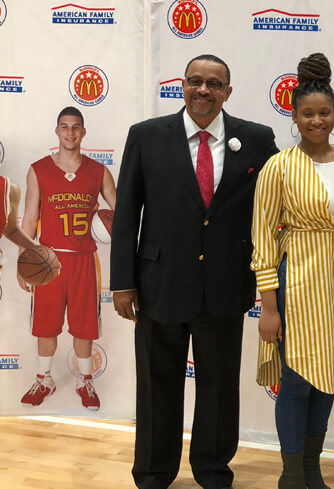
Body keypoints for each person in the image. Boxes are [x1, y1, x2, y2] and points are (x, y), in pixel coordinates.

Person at [110, 54, 279, 489]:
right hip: (158, 286)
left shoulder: (257, 139)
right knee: (156, 384)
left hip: (225, 285)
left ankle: (212, 469)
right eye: (195, 81)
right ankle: (153, 472)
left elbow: (285, 190)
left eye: (214, 83)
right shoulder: (146, 136)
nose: (203, 89)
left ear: (228, 91)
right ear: (182, 86)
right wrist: (123, 282)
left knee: (219, 389)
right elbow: (127, 212)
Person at [251, 53, 334, 489]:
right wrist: (269, 308)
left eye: (324, 113)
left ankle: (313, 468)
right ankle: (291, 474)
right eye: (307, 114)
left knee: (328, 379)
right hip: (297, 280)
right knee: (297, 380)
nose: (317, 121)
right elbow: (263, 241)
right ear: (294, 117)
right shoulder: (278, 167)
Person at [17, 106, 115, 411]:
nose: (70, 132)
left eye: (75, 127)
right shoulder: (38, 169)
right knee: (46, 325)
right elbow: (30, 217)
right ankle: (44, 378)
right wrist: (23, 260)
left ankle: (85, 380)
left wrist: (112, 223)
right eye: (64, 127)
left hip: (85, 260)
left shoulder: (99, 171)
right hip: (48, 261)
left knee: (84, 325)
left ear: (83, 132)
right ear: (57, 131)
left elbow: (121, 209)